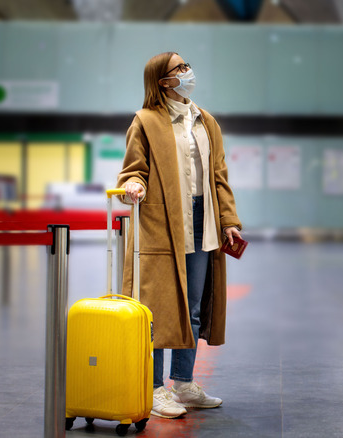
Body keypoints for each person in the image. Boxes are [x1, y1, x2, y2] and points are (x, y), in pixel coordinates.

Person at [117, 52, 242, 419]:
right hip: (162, 223)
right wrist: (134, 186)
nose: (188, 73)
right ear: (163, 81)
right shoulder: (145, 121)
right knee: (157, 311)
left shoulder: (207, 122)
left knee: (193, 309)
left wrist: (228, 219)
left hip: (203, 221)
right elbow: (132, 170)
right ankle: (155, 389)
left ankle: (183, 384)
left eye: (187, 66)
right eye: (180, 68)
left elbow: (219, 176)